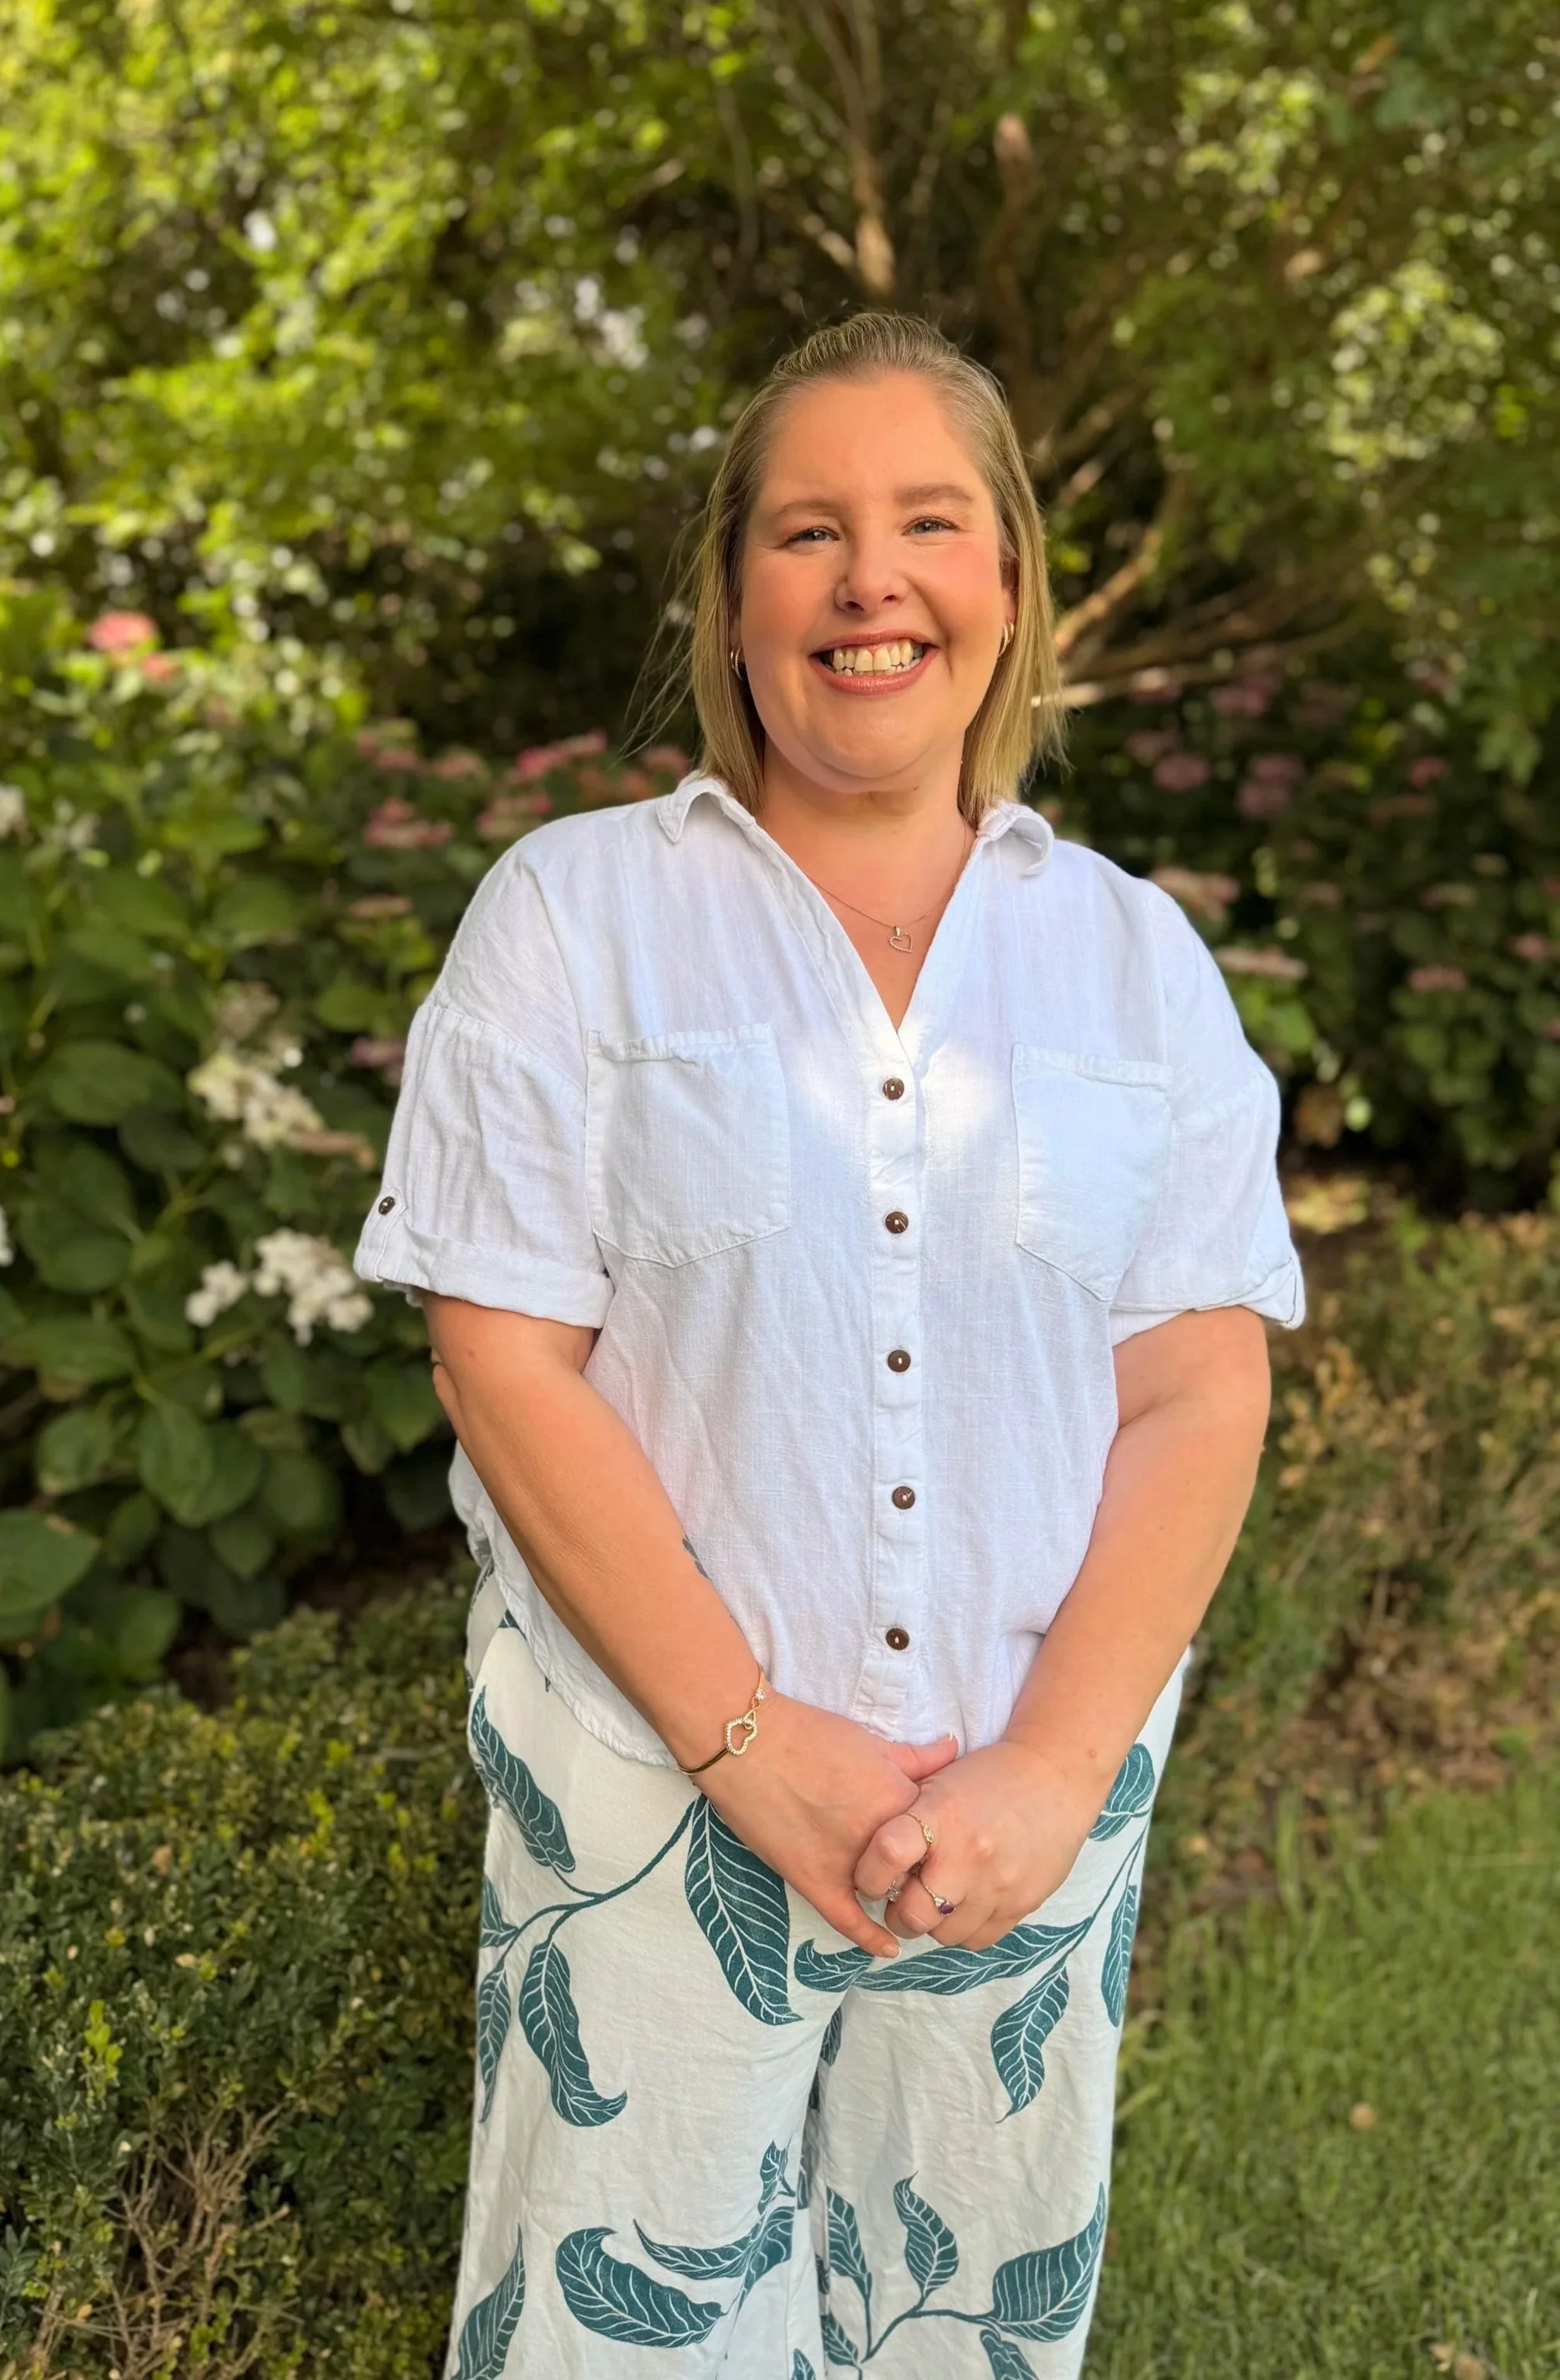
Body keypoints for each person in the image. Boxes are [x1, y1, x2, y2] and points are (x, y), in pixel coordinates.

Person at [354, 310, 1303, 2379]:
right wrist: (749, 1743)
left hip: (1023, 1825)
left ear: (1009, 584)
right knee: (623, 2344)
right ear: (731, 599)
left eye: (928, 522)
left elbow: (1199, 1383)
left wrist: (1055, 1765)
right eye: (807, 531)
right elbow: (502, 1354)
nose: (873, 580)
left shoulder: (1136, 962)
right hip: (646, 1789)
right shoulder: (571, 915)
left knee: (966, 2338)